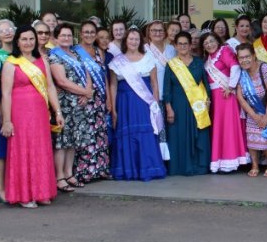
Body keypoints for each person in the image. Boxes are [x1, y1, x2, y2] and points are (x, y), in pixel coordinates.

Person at [0, 25, 62, 208]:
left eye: (31, 39)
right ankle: (25, 195)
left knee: (41, 149)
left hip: (40, 113)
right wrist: (7, 120)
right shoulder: (11, 63)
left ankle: (42, 192)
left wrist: (57, 112)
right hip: (19, 114)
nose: (28, 42)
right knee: (23, 151)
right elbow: (6, 94)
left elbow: (50, 87)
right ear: (17, 42)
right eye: (24, 39)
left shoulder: (43, 60)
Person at [108, 28, 167, 181]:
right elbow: (113, 86)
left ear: (140, 41)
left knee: (146, 133)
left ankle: (148, 169)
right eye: (131, 39)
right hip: (124, 103)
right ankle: (129, 170)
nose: (133, 42)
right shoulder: (116, 62)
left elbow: (154, 84)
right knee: (126, 135)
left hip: (144, 103)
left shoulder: (149, 58)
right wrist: (114, 109)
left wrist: (155, 105)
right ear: (126, 41)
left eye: (136, 39)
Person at [49, 24, 95, 190]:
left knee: (73, 140)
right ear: (55, 38)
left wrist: (86, 93)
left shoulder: (76, 53)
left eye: (69, 35)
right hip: (65, 103)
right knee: (62, 141)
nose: (66, 38)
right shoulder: (54, 56)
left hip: (79, 103)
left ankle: (69, 173)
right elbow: (62, 81)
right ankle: (59, 176)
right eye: (63, 35)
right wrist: (85, 92)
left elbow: (87, 72)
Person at [163, 31, 212, 176]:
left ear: (191, 45)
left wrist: (208, 102)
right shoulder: (171, 65)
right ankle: (180, 167)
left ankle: (199, 167)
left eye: (186, 43)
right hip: (178, 106)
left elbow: (206, 84)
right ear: (175, 46)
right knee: (179, 137)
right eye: (180, 44)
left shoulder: (198, 62)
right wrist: (169, 108)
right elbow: (167, 89)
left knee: (200, 135)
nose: (183, 46)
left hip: (197, 106)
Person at [202, 32, 249, 172]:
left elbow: (235, 66)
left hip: (225, 95)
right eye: (206, 43)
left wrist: (231, 86)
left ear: (217, 40)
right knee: (219, 128)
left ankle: (231, 160)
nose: (209, 44)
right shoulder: (208, 58)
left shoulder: (224, 51)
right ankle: (221, 160)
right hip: (215, 97)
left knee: (228, 127)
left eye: (211, 41)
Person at [235, 43, 267, 177]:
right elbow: (240, 96)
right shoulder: (241, 72)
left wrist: (266, 115)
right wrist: (254, 115)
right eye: (241, 58)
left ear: (254, 56)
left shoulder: (264, 68)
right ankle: (254, 165)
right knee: (252, 138)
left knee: (266, 137)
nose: (244, 60)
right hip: (252, 110)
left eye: (247, 56)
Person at [73, 21, 111, 181]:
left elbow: (104, 76)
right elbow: (74, 75)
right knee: (85, 135)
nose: (89, 35)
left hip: (99, 98)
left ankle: (101, 169)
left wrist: (108, 97)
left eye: (91, 32)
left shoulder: (99, 52)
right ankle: (85, 172)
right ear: (81, 34)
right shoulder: (74, 52)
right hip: (83, 97)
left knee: (100, 134)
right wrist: (82, 93)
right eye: (86, 32)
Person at [0, 18, 15, 203]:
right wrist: (1, 113)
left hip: (21, 105)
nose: (7, 32)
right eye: (2, 30)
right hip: (1, 105)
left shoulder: (21, 53)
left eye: (10, 29)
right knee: (1, 149)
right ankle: (1, 188)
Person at [144, 20, 177, 100]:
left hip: (172, 95)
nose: (157, 33)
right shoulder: (143, 50)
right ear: (149, 32)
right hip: (153, 96)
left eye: (160, 30)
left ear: (165, 32)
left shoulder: (172, 49)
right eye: (154, 30)